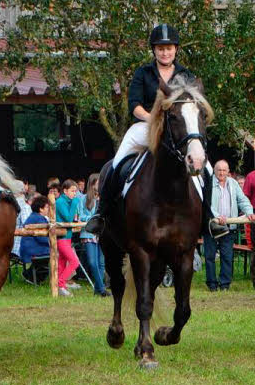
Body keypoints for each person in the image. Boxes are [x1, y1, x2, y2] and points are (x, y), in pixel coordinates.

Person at [95, 24, 223, 236]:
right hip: (146, 126)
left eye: (169, 48)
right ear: (154, 50)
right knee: (117, 163)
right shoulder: (143, 73)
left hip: (178, 130)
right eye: (161, 48)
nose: (165, 52)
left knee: (206, 169)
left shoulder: (186, 75)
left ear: (176, 49)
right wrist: (153, 119)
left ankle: (209, 217)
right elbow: (134, 105)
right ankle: (101, 214)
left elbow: (193, 105)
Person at [205, 160, 255, 291]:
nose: (221, 173)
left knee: (227, 256)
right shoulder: (208, 183)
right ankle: (211, 284)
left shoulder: (233, 183)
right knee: (210, 256)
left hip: (229, 226)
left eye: (224, 170)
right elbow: (206, 204)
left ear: (228, 171)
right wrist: (216, 216)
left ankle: (225, 284)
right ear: (214, 171)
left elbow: (243, 199)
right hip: (212, 226)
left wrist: (249, 212)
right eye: (219, 170)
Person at [78, 174, 108, 296]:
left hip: (101, 233)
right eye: (98, 182)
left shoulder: (103, 198)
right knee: (92, 262)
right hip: (89, 233)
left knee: (101, 263)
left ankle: (98, 290)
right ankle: (102, 289)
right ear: (92, 184)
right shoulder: (84, 199)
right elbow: (81, 216)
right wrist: (93, 218)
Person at [53, 180, 82, 296]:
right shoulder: (60, 202)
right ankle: (61, 283)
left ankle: (61, 287)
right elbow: (68, 219)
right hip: (62, 238)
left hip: (67, 238)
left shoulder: (67, 201)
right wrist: (75, 203)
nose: (74, 194)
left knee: (62, 262)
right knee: (75, 262)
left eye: (76, 191)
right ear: (65, 191)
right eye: (72, 191)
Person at [16, 194, 52, 279]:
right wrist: (53, 242)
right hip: (34, 249)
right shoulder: (39, 219)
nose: (48, 209)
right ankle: (30, 276)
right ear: (41, 209)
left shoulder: (34, 216)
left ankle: (30, 275)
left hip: (29, 248)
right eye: (47, 207)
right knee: (56, 252)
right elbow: (41, 238)